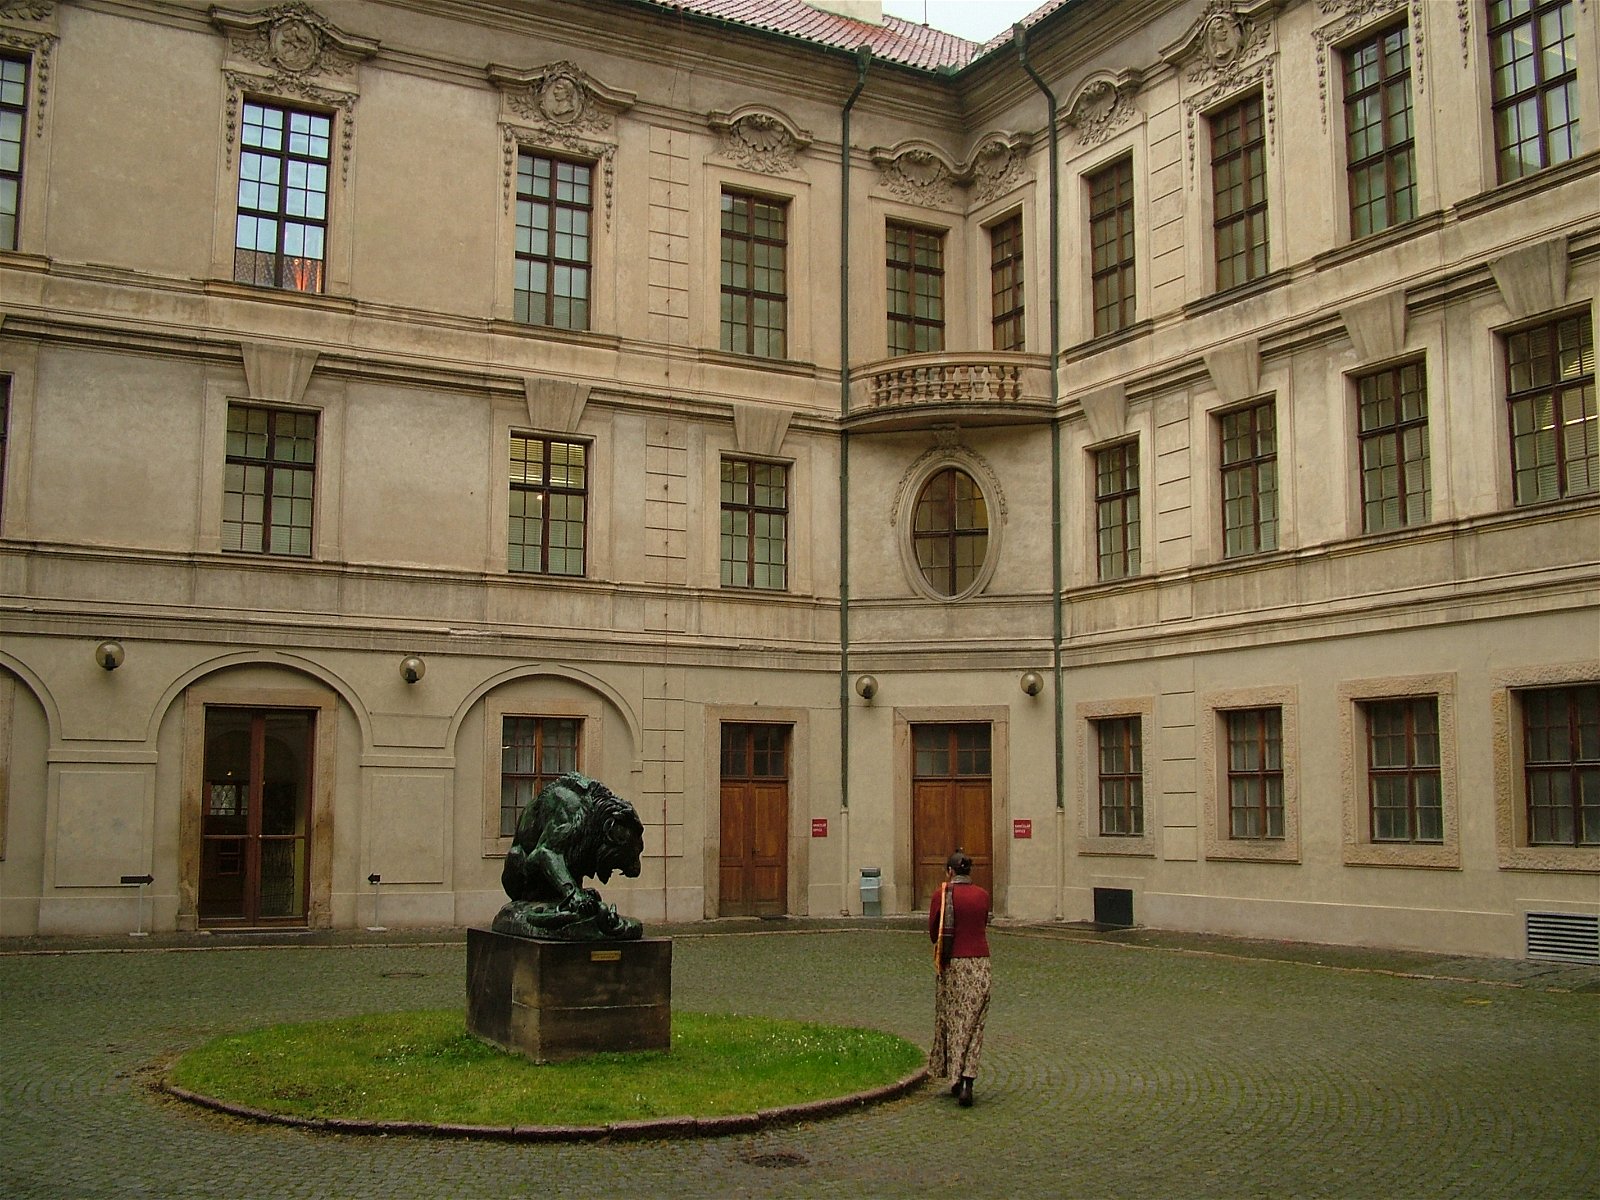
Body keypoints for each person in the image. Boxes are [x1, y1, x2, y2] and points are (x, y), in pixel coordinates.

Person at [928, 848, 991, 1107]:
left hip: (955, 966)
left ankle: (955, 1077)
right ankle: (968, 1080)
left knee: (955, 1023)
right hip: (982, 965)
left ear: (950, 871)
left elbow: (935, 931)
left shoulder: (941, 896)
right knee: (975, 1027)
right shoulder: (983, 896)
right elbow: (982, 924)